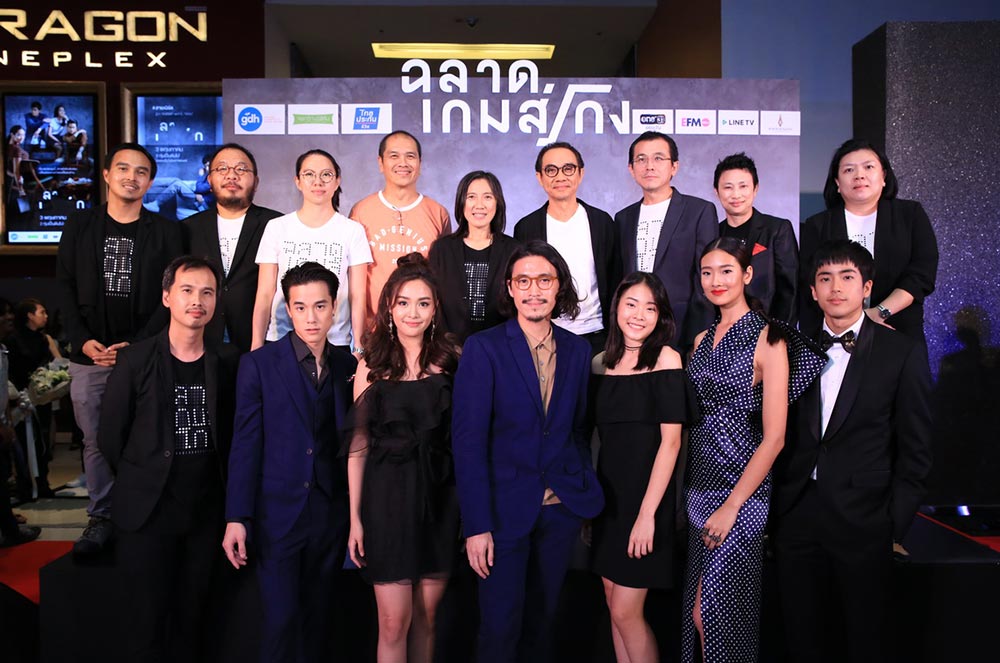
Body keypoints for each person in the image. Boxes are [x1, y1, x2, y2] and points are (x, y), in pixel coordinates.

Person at [772, 240, 932, 663]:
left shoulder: (902, 351)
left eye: (847, 277)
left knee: (866, 638)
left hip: (866, 519)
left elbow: (916, 447)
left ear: (867, 288)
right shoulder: (791, 348)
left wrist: (893, 525)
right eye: (825, 279)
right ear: (812, 291)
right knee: (801, 638)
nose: (836, 288)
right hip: (797, 515)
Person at [453, 240, 605, 663]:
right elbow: (468, 443)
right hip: (501, 514)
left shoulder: (578, 351)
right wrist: (476, 525)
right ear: (510, 288)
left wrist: (579, 491)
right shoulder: (484, 348)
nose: (533, 290)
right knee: (500, 630)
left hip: (558, 511)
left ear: (558, 287)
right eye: (523, 281)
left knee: (543, 626)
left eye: (543, 280)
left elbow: (578, 430)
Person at [682, 237, 825, 662]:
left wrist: (732, 506)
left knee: (715, 615)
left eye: (726, 271)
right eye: (707, 272)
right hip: (698, 486)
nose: (716, 280)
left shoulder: (771, 338)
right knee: (696, 614)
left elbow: (775, 437)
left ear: (747, 275)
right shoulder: (700, 340)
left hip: (741, 491)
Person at [97, 256, 239, 660]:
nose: (198, 301)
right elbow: (110, 437)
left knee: (194, 622)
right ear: (166, 297)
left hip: (204, 514)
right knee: (146, 625)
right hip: (147, 514)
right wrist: (141, 477)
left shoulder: (227, 361)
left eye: (207, 293)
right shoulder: (136, 359)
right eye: (187, 290)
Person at [223, 261, 357, 663]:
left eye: (320, 306)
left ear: (335, 307)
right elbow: (245, 445)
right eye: (300, 307)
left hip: (329, 515)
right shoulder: (259, 364)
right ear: (288, 309)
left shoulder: (348, 366)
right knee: (280, 622)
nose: (310, 317)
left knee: (320, 621)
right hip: (277, 516)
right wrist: (237, 517)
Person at [56, 142, 183, 555]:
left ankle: (144, 514)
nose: (132, 177)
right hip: (89, 354)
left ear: (150, 181)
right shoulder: (80, 225)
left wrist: (139, 344)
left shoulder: (166, 232)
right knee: (95, 440)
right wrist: (82, 340)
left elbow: (172, 295)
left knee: (148, 436)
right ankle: (102, 516)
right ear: (107, 175)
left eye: (141, 171)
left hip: (145, 354)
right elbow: (64, 286)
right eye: (124, 168)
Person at [347, 253, 461, 663]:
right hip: (387, 499)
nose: (413, 312)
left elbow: (464, 438)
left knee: (427, 618)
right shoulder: (371, 365)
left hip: (440, 496)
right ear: (389, 308)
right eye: (404, 303)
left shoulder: (452, 359)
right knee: (394, 621)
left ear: (435, 309)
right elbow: (358, 446)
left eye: (423, 303)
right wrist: (355, 518)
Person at [590, 271, 699, 663]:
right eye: (631, 304)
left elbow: (671, 443)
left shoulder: (667, 359)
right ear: (616, 307)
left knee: (626, 610)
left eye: (650, 308)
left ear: (660, 316)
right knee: (611, 602)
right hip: (608, 501)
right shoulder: (600, 363)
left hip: (647, 501)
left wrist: (647, 515)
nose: (639, 315)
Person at [799, 138, 938, 346]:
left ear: (884, 176)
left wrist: (879, 313)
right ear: (837, 183)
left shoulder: (910, 215)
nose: (859, 175)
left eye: (868, 167)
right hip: (836, 336)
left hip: (898, 330)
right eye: (849, 170)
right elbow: (810, 283)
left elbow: (921, 274)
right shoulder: (817, 225)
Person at [252, 149, 371, 353]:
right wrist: (257, 344)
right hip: (282, 339)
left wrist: (359, 348)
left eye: (326, 175)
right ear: (298, 181)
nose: (318, 182)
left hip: (334, 342)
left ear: (337, 181)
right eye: (309, 174)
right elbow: (264, 293)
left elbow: (358, 295)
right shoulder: (277, 227)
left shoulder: (353, 230)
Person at [514, 142, 620, 355]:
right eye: (551, 170)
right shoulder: (526, 228)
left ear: (581, 173)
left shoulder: (602, 222)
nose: (560, 177)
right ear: (540, 177)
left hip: (598, 335)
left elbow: (616, 278)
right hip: (545, 336)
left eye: (568, 169)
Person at [615, 131, 718, 350]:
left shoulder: (699, 211)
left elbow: (706, 277)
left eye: (658, 158)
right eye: (641, 159)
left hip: (682, 330)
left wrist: (699, 336)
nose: (649, 166)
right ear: (631, 169)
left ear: (674, 167)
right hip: (634, 330)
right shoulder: (623, 218)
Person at [184, 143, 282, 353]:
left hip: (260, 344)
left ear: (256, 182)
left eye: (241, 169)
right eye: (222, 169)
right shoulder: (188, 228)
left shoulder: (276, 224)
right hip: (201, 342)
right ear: (210, 180)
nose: (231, 175)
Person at [349, 130, 450, 325]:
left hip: (420, 328)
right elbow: (355, 285)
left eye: (410, 156)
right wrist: (360, 336)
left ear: (420, 163)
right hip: (374, 330)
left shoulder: (438, 213)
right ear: (381, 163)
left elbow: (442, 278)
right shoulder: (361, 211)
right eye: (394, 156)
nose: (403, 163)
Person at [428, 170, 520, 343]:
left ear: (498, 203)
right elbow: (433, 303)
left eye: (487, 197)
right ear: (461, 202)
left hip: (500, 347)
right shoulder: (442, 250)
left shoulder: (513, 250)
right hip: (450, 349)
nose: (479, 205)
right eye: (471, 197)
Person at [714, 152, 798, 323]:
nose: (736, 195)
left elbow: (790, 289)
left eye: (743, 186)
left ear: (755, 189)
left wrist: (779, 333)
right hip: (722, 327)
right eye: (728, 187)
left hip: (767, 327)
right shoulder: (713, 233)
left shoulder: (777, 229)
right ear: (717, 192)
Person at [5, 298, 62, 500]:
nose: (46, 316)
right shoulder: (13, 340)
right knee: (22, 442)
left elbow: (55, 363)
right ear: (29, 315)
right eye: (41, 312)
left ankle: (42, 483)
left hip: (40, 397)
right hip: (21, 398)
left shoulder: (43, 339)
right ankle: (24, 485)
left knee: (42, 441)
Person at [1, 337, 42, 548]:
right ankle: (9, 530)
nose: (9, 321)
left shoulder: (3, 349)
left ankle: (8, 523)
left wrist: (6, 420)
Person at [6, 125, 45, 197]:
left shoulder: (10, 147)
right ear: (12, 135)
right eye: (19, 135)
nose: (22, 137)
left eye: (23, 135)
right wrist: (21, 189)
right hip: (29, 176)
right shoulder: (16, 149)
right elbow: (16, 170)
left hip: (25, 175)